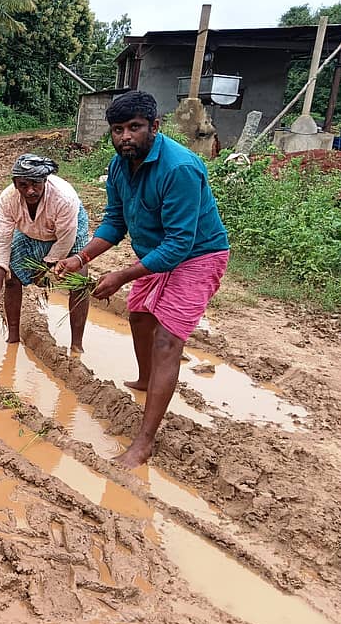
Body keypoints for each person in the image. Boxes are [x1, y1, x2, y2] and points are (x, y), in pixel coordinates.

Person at [55, 91, 230, 468]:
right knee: (138, 316)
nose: (125, 137)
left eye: (134, 128)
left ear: (155, 126)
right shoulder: (120, 166)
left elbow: (180, 244)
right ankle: (148, 381)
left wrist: (119, 275)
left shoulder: (180, 168)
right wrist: (80, 257)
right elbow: (116, 222)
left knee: (168, 339)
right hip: (155, 253)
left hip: (198, 255)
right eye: (117, 130)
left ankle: (144, 443)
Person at [0, 154, 91, 351]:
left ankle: (77, 345)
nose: (30, 191)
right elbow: (1, 240)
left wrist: (46, 267)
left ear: (45, 180)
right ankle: (13, 337)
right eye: (23, 185)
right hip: (29, 229)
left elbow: (65, 240)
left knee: (79, 281)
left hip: (68, 231)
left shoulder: (63, 199)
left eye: (36, 184)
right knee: (12, 278)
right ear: (15, 184)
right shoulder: (8, 199)